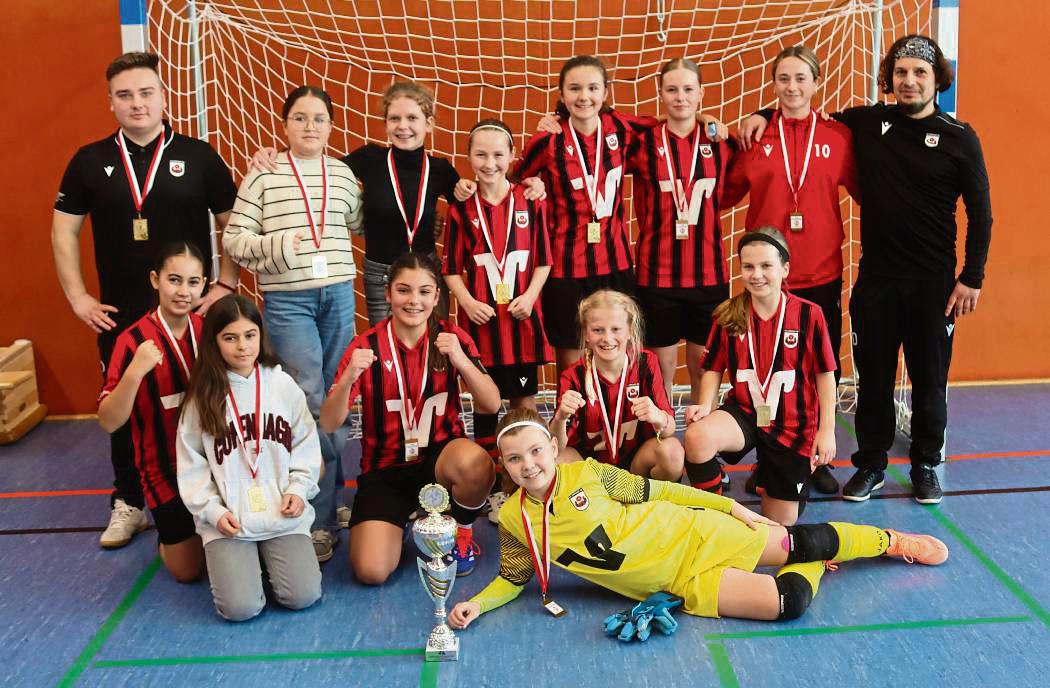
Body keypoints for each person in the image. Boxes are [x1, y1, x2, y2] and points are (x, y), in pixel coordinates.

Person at [739, 35, 992, 504]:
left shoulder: (960, 137)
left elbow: (982, 213)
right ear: (889, 79)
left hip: (934, 284)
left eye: (920, 72)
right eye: (901, 73)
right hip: (876, 280)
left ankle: (925, 464)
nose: (909, 81)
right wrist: (764, 114)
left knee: (929, 379)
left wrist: (972, 276)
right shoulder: (865, 122)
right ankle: (871, 464)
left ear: (938, 79)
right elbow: (800, 110)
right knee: (872, 379)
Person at [447, 409, 949, 630]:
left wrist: (727, 506)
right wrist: (476, 605)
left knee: (798, 541)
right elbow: (512, 579)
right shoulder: (513, 517)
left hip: (697, 534)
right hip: (679, 584)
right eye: (515, 460)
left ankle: (887, 540)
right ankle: (822, 560)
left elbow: (662, 489)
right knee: (788, 602)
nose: (528, 465)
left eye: (536, 451)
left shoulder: (590, 475)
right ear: (504, 467)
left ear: (552, 450)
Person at [52, 51, 240, 549]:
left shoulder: (199, 155)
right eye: (125, 95)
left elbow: (232, 224)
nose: (137, 103)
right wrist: (77, 296)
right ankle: (129, 501)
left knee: (209, 398)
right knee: (125, 402)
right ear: (111, 101)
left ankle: (219, 486)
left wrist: (224, 284)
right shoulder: (89, 161)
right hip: (121, 312)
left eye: (146, 92)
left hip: (192, 308)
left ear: (164, 95)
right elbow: (64, 230)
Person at [223, 86, 363, 562]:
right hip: (287, 300)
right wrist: (282, 245)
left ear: (330, 126)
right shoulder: (262, 175)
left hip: (340, 294)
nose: (310, 127)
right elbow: (235, 240)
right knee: (307, 396)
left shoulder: (344, 176)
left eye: (319, 119)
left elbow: (369, 221)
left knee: (340, 391)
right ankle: (319, 516)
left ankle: (331, 499)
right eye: (300, 118)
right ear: (284, 126)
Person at [722, 46, 859, 496]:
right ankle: (770, 456)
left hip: (820, 273)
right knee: (766, 373)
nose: (793, 87)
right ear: (774, 84)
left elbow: (868, 193)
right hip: (764, 279)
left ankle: (815, 456)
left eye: (801, 78)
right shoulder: (755, 138)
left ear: (815, 83)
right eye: (784, 79)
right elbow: (724, 194)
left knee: (817, 369)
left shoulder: (839, 137)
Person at [320, 253, 498, 583]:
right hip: (385, 469)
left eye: (424, 291)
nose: (414, 300)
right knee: (371, 572)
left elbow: (491, 403)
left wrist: (460, 359)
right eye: (404, 290)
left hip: (440, 463)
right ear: (387, 294)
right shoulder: (366, 346)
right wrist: (346, 380)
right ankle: (400, 523)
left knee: (476, 464)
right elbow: (329, 423)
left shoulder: (451, 338)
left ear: (436, 297)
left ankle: (460, 534)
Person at [177, 294, 322, 622]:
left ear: (260, 335)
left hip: (281, 514)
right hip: (229, 521)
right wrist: (212, 512)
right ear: (214, 342)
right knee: (240, 609)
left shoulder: (281, 384)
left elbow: (305, 445)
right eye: (230, 337)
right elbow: (192, 465)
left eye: (249, 335)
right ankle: (245, 565)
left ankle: (267, 560)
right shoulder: (203, 396)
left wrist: (299, 490)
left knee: (303, 596)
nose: (242, 346)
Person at [514, 55, 658, 379]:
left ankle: (618, 417)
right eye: (575, 88)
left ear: (605, 91)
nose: (584, 96)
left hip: (616, 262)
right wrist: (531, 182)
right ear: (562, 94)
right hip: (565, 267)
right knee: (572, 354)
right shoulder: (548, 140)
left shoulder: (621, 127)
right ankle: (574, 423)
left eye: (593, 88)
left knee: (621, 347)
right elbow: (511, 179)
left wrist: (707, 119)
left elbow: (670, 125)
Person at [682, 229, 837, 525]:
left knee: (778, 529)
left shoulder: (809, 314)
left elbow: (825, 376)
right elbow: (713, 367)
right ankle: (715, 519)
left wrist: (826, 431)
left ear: (785, 269)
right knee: (697, 436)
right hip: (746, 412)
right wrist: (706, 405)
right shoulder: (729, 314)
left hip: (792, 426)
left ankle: (770, 474)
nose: (757, 275)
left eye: (766, 266)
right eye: (748, 267)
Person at [442, 119, 555, 523]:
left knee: (523, 405)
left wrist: (530, 295)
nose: (489, 163)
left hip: (521, 325)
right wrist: (468, 301)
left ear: (511, 158)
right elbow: (451, 268)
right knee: (486, 406)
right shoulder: (460, 210)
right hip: (481, 329)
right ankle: (493, 487)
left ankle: (529, 483)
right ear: (469, 158)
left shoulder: (531, 202)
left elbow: (543, 260)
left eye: (498, 154)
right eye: (480, 155)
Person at [97, 242, 208, 581]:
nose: (183, 291)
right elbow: (109, 420)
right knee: (189, 572)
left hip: (213, 464)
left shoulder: (211, 333)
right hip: (164, 469)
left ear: (204, 285)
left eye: (193, 282)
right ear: (155, 279)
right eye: (174, 280)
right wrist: (134, 372)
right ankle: (169, 532)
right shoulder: (131, 342)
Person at [626, 58, 734, 407]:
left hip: (708, 275)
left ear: (701, 93)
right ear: (660, 93)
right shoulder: (642, 142)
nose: (680, 97)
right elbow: (602, 122)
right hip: (657, 276)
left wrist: (711, 122)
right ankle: (665, 442)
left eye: (688, 89)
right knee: (661, 370)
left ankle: (705, 446)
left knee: (705, 367)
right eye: (671, 89)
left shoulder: (720, 141)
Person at [551, 290, 684, 481]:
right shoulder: (573, 376)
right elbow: (558, 445)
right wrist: (560, 418)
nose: (607, 338)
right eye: (598, 330)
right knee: (552, 460)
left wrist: (659, 417)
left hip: (636, 466)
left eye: (616, 329)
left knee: (672, 452)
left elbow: (669, 430)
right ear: (586, 334)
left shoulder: (646, 363)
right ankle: (589, 503)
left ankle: (652, 502)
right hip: (590, 472)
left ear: (630, 331)